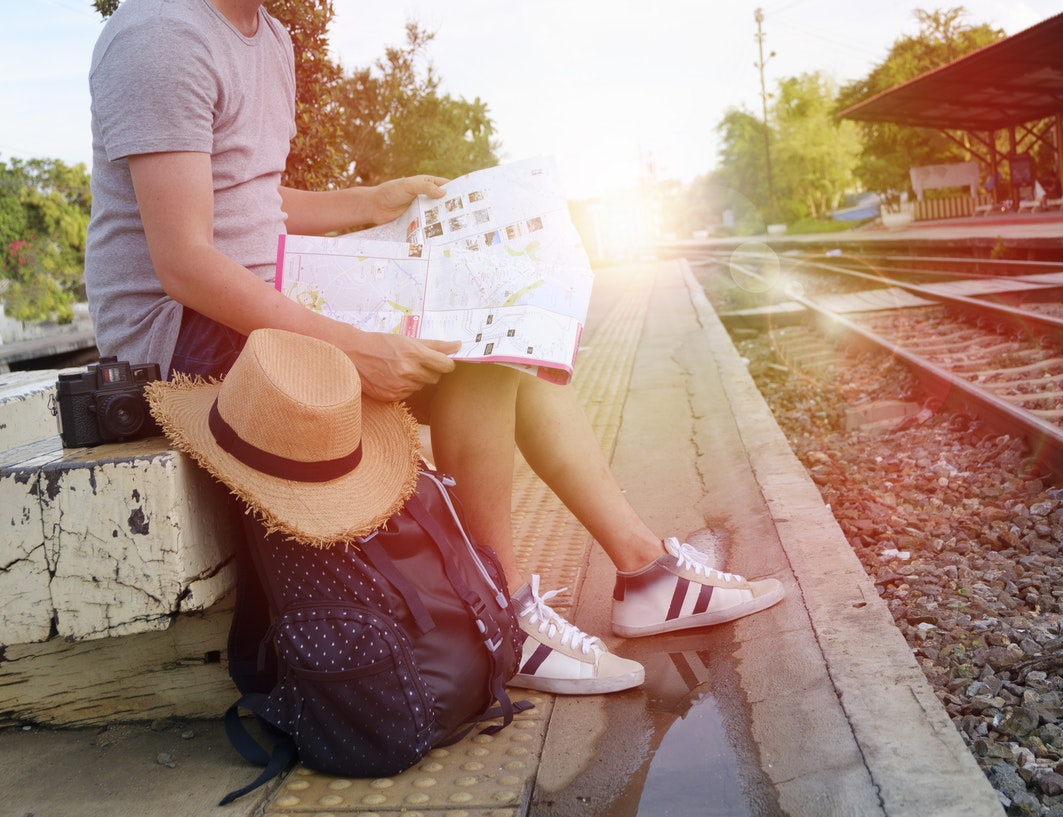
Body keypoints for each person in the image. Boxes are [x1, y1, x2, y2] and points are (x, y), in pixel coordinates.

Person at [86, 0, 783, 696]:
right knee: (470, 358)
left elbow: (250, 199)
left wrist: (370, 200)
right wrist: (354, 346)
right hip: (182, 330)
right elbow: (184, 261)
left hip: (268, 291)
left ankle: (643, 570)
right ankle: (500, 614)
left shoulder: (268, 38)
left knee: (509, 330)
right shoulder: (161, 36)